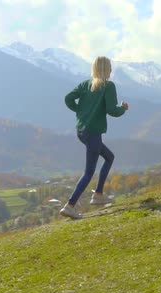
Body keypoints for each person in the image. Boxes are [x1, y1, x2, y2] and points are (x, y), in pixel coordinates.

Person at [59, 56, 129, 219]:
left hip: (81, 131)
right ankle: (70, 206)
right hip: (93, 133)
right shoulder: (108, 86)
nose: (111, 71)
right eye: (110, 67)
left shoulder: (85, 84)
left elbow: (68, 98)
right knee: (89, 172)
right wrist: (123, 108)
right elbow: (112, 111)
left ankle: (98, 195)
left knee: (109, 157)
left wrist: (79, 111)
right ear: (106, 69)